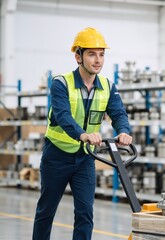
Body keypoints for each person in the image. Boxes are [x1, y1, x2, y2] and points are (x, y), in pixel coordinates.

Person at [32, 27, 132, 240]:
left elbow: (118, 113)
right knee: (46, 212)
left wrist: (123, 131)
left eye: (102, 54)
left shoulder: (107, 86)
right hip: (56, 156)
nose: (98, 60)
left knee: (85, 213)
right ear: (78, 56)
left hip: (85, 158)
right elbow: (62, 116)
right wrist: (83, 134)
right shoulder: (61, 83)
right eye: (92, 54)